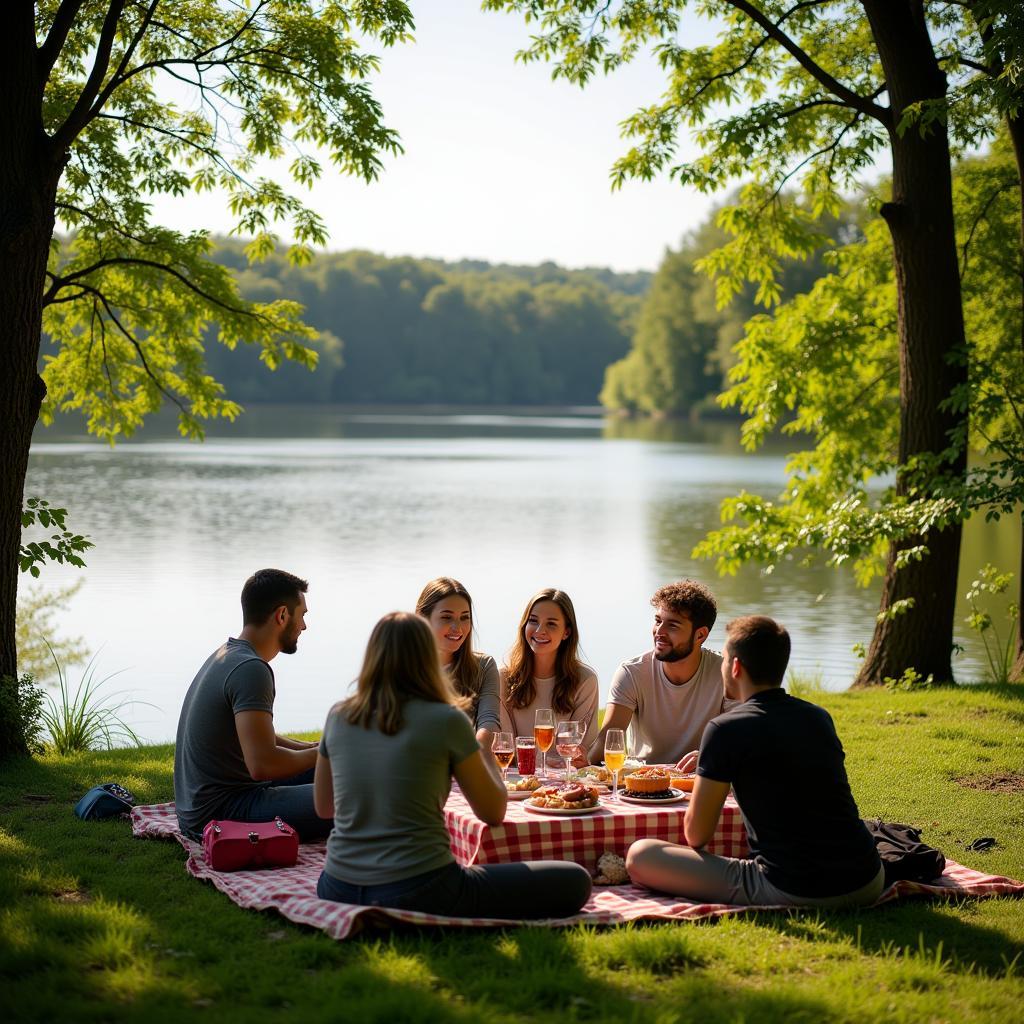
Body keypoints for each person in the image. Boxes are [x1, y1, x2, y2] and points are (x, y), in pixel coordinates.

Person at [313, 611, 593, 918]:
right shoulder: (446, 720)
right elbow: (493, 811)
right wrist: (483, 758)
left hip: (337, 885)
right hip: (420, 888)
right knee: (574, 879)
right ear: (427, 656)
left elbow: (325, 808)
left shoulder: (339, 716)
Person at [626, 616, 884, 908]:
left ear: (735, 667)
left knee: (641, 855)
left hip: (794, 889)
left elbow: (696, 835)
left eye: (723, 660)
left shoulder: (726, 729)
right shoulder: (818, 717)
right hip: (868, 879)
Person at [173, 569, 330, 841]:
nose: (304, 625)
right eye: (302, 615)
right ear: (282, 615)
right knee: (360, 797)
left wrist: (311, 748)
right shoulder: (251, 669)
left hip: (205, 805)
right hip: (223, 812)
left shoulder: (228, 654)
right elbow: (263, 764)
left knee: (343, 768)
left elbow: (251, 738)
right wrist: (328, 751)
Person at [589, 580, 729, 767]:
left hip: (701, 780)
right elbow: (604, 745)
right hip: (642, 782)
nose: (659, 632)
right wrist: (585, 760)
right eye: (657, 621)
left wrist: (710, 755)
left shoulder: (726, 674)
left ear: (700, 635)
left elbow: (742, 740)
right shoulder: (632, 673)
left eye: (673, 625)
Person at [499, 588, 599, 767]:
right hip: (517, 782)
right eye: (533, 621)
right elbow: (506, 750)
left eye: (551, 624)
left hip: (563, 784)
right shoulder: (503, 678)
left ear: (566, 632)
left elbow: (579, 752)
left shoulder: (585, 681)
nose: (539, 630)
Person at [416, 577, 500, 751]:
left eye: (464, 618)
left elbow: (489, 722)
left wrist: (467, 761)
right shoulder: (400, 667)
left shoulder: (484, 666)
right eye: (447, 617)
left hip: (465, 765)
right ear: (422, 618)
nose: (458, 627)